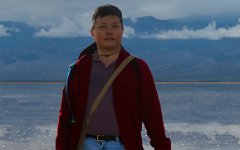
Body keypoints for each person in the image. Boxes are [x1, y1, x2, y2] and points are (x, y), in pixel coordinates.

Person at [56, 4, 171, 150]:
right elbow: (65, 117)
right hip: (85, 144)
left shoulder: (137, 68)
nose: (109, 31)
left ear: (122, 30)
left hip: (123, 145)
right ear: (92, 32)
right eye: (103, 26)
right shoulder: (78, 69)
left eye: (115, 26)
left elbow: (152, 114)